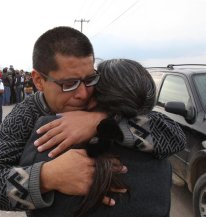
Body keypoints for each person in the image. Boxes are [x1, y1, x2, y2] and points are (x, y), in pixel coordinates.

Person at [0, 26, 185, 213]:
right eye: (69, 83)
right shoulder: (24, 116)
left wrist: (100, 122)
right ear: (39, 81)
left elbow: (173, 136)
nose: (84, 94)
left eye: (89, 79)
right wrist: (47, 177)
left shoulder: (104, 97)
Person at [19, 58, 183, 217]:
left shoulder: (52, 130)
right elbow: (177, 136)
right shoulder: (158, 148)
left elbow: (15, 196)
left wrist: (44, 179)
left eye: (90, 81)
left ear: (95, 94)